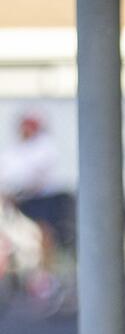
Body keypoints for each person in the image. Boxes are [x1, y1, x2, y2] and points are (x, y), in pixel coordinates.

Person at [0, 113, 73, 296]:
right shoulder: (16, 149)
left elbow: (35, 177)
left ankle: (46, 277)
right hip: (17, 201)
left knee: (44, 235)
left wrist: (17, 190)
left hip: (40, 200)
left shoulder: (43, 148)